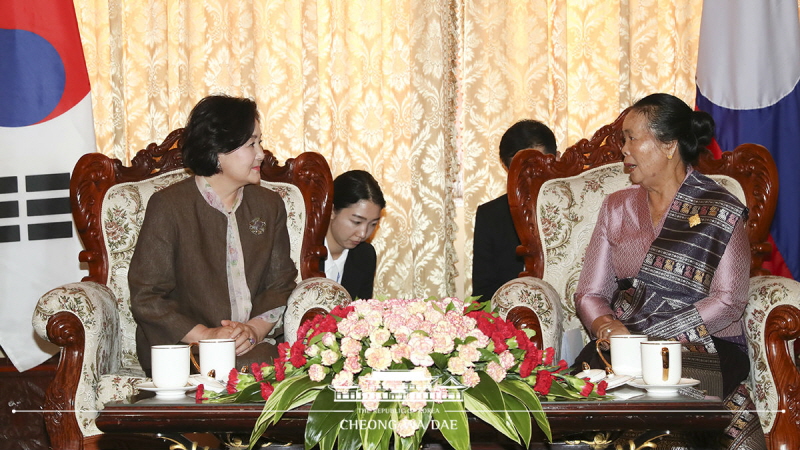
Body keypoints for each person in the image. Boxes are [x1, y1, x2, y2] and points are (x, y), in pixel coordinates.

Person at [574, 93, 763, 449]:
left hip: (708, 343)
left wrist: (643, 333)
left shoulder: (719, 208)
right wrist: (605, 326)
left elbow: (728, 301)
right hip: (625, 343)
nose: (623, 150)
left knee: (666, 406)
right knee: (578, 393)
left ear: (669, 145)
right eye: (622, 141)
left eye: (632, 138)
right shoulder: (617, 207)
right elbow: (590, 292)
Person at [129, 95, 297, 376]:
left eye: (260, 142)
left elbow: (281, 285)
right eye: (251, 144)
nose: (261, 154)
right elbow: (147, 296)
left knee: (268, 364)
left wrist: (252, 330)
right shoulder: (169, 206)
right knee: (249, 369)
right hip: (184, 349)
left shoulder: (269, 205)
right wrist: (208, 336)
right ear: (218, 150)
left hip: (252, 347)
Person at [472, 120, 557, 301]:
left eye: (536, 168)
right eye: (519, 171)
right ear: (506, 169)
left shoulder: (581, 203)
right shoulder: (491, 216)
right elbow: (483, 292)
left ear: (556, 158)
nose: (529, 178)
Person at [323, 170, 385, 300]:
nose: (363, 233)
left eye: (373, 224)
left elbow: (361, 312)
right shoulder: (303, 250)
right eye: (357, 222)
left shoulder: (364, 255)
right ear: (332, 211)